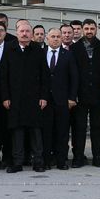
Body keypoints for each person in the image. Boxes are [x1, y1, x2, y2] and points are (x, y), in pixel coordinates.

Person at [1, 21, 49, 173]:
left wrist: (44, 96)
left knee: (36, 131)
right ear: (17, 33)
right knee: (17, 131)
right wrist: (5, 97)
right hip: (15, 98)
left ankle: (38, 162)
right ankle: (17, 163)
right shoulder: (9, 49)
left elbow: (45, 75)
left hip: (35, 98)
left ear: (31, 34)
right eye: (22, 31)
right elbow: (3, 75)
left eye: (27, 31)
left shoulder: (38, 49)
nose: (24, 34)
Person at [70, 19, 100, 167]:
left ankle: (97, 157)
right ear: (82, 29)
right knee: (79, 127)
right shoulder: (74, 47)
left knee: (97, 127)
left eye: (92, 28)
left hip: (98, 93)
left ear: (96, 29)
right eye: (86, 28)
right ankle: (78, 157)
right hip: (80, 94)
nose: (89, 31)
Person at [38, 28, 77, 170]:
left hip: (63, 100)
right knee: (46, 132)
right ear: (47, 38)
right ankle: (46, 161)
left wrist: (72, 97)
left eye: (58, 36)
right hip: (45, 100)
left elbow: (74, 78)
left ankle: (61, 161)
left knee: (62, 132)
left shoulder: (68, 55)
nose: (55, 39)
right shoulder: (40, 53)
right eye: (53, 36)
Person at [0, 22, 19, 168]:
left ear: (6, 33)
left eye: (2, 30)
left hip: (7, 96)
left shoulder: (11, 48)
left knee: (7, 128)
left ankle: (7, 157)